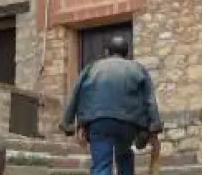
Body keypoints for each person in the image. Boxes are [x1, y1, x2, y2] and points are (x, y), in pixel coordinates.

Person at [59, 35, 163, 175]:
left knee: (101, 164)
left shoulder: (91, 67)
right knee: (125, 156)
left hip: (99, 121)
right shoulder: (138, 69)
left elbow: (76, 94)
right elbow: (149, 100)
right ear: (127, 53)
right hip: (128, 122)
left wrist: (68, 123)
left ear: (107, 52)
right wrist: (154, 127)